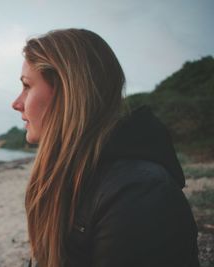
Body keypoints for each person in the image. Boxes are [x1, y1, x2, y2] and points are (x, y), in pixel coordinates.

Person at [12, 28, 200, 267]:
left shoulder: (138, 192)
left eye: (27, 86)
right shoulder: (67, 174)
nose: (17, 103)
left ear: (67, 92)